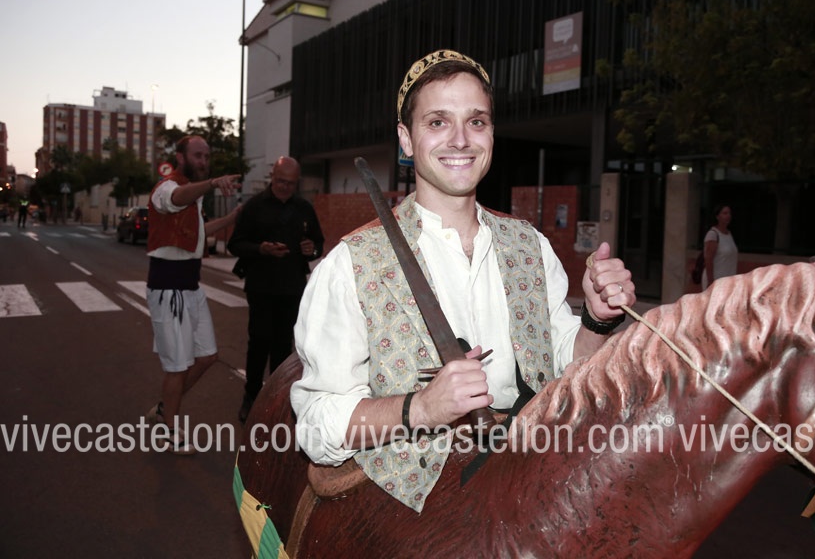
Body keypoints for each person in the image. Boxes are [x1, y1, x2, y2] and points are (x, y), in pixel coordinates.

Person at [290, 49, 635, 512]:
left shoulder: (530, 246)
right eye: (437, 122)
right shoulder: (350, 264)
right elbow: (316, 426)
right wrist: (420, 408)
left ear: (491, 133)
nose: (460, 140)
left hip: (529, 476)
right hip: (408, 506)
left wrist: (595, 319)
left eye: (476, 121)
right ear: (406, 139)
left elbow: (564, 363)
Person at [145, 135, 241, 454]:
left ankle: (164, 408)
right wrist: (212, 183)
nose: (204, 161)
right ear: (181, 158)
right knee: (177, 366)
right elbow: (176, 198)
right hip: (168, 288)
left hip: (191, 287)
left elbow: (199, 234)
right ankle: (169, 431)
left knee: (208, 356)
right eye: (198, 156)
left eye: (207, 156)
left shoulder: (193, 195)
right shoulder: (166, 188)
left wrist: (233, 218)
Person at [227, 156, 324, 424]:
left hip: (292, 287)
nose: (284, 187)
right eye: (281, 181)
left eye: (290, 183)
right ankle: (251, 396)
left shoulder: (304, 208)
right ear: (272, 177)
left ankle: (277, 402)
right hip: (261, 286)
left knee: (284, 347)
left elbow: (318, 243)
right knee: (258, 342)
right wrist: (261, 248)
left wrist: (311, 249)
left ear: (297, 183)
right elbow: (235, 244)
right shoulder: (254, 206)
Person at [701, 204, 738, 290]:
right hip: (716, 280)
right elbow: (708, 260)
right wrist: (710, 281)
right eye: (725, 213)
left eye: (729, 213)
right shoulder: (713, 234)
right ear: (717, 216)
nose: (728, 216)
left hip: (728, 281)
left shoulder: (729, 234)